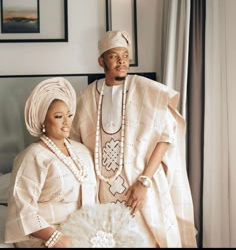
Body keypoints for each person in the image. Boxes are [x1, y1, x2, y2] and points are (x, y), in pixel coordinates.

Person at [70, 30, 197, 248]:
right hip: (102, 194)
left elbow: (166, 136)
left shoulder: (146, 89)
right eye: (114, 56)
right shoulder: (84, 97)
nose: (122, 61)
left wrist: (144, 181)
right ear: (101, 61)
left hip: (141, 187)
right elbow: (74, 146)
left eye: (126, 56)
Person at [4, 77, 97, 248]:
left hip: (83, 232)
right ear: (43, 121)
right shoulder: (33, 156)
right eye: (58, 116)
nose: (67, 121)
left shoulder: (83, 152)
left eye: (69, 115)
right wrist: (56, 238)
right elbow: (21, 208)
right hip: (46, 237)